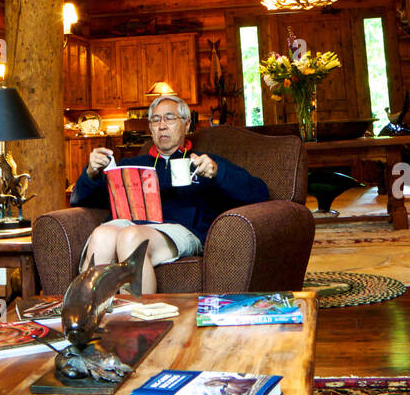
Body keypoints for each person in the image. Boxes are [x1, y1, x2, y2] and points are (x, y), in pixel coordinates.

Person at [69, 95, 269, 293]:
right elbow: (79, 199)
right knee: (101, 234)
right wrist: (90, 173)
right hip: (131, 223)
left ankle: (138, 321)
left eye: (169, 118)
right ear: (150, 128)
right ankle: (89, 316)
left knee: (131, 238)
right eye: (155, 120)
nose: (162, 125)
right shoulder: (129, 165)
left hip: (181, 229)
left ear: (186, 123)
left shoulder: (204, 163)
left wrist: (218, 172)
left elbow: (260, 193)